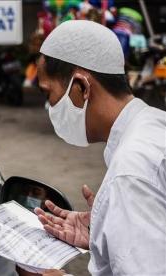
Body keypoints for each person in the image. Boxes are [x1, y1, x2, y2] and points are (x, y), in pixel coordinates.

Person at [33, 20, 166, 275]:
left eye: (48, 93)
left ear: (81, 87)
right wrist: (104, 231)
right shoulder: (154, 125)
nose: (49, 105)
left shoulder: (129, 176)